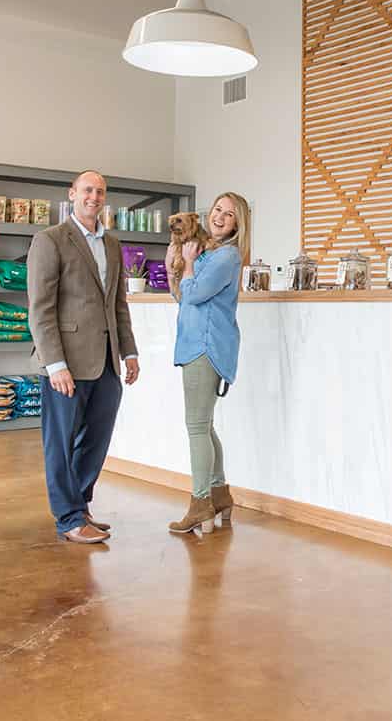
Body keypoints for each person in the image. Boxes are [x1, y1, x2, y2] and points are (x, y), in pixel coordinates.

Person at [28, 170, 140, 544]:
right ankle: (68, 517)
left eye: (101, 191)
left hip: (106, 361)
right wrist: (55, 364)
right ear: (72, 194)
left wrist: (130, 352)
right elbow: (40, 310)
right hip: (66, 364)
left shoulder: (111, 243)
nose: (94, 196)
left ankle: (80, 504)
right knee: (60, 442)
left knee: (97, 438)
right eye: (88, 190)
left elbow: (117, 304)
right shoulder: (50, 241)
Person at [167, 192, 250, 536]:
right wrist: (177, 262)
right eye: (218, 210)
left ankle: (200, 502)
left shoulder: (227, 256)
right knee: (205, 425)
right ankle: (219, 496)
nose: (220, 217)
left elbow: (197, 294)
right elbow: (182, 296)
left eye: (229, 215)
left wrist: (186, 265)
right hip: (195, 344)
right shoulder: (207, 252)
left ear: (237, 225)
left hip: (206, 347)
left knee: (197, 427)